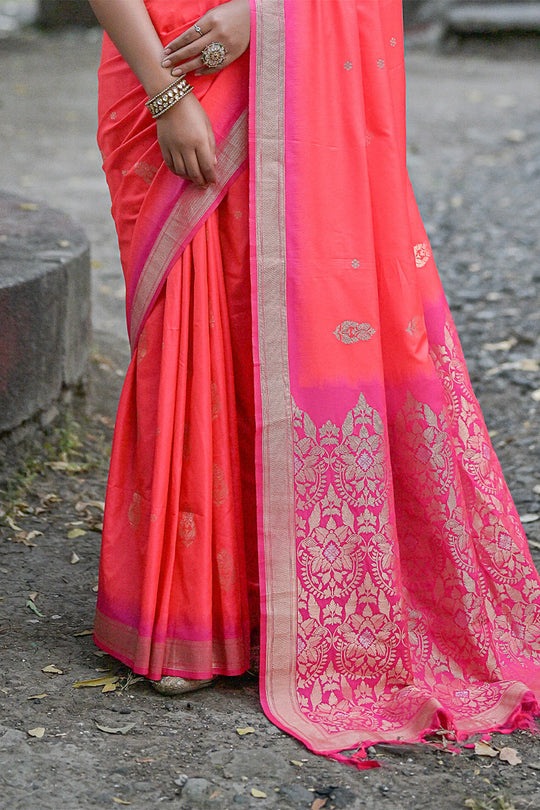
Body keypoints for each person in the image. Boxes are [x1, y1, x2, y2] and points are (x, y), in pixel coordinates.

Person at [89, 0, 540, 761]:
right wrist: (166, 91)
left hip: (275, 57)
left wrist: (262, 15)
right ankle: (197, 613)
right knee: (191, 322)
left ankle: (293, 606)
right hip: (169, 61)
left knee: (300, 310)